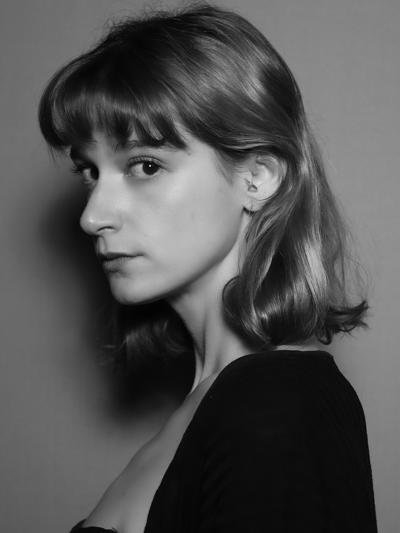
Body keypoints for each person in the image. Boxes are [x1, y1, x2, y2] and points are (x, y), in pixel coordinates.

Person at [38, 3, 378, 532]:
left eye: (145, 165)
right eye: (90, 172)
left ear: (257, 177)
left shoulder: (278, 406)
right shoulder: (212, 405)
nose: (92, 216)